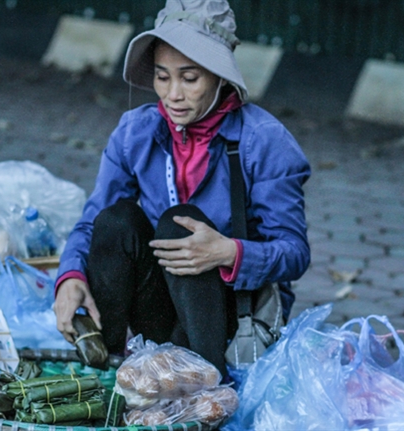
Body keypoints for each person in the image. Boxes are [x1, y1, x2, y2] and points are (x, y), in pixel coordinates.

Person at [54, 0, 310, 376]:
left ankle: (206, 384)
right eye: (162, 76)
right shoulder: (134, 132)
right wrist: (70, 276)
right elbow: (93, 223)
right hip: (160, 305)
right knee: (116, 221)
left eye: (189, 79)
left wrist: (228, 252)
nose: (173, 94)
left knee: (179, 220)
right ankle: (103, 371)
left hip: (229, 317)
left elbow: (294, 253)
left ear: (220, 76)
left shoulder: (265, 141)